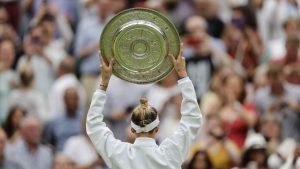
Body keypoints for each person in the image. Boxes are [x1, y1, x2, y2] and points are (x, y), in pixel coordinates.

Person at [86, 44, 203, 169]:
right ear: (157, 129)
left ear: (132, 129)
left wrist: (104, 82)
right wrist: (182, 75)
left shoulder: (119, 153)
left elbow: (93, 125)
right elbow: (193, 119)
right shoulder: (170, 153)